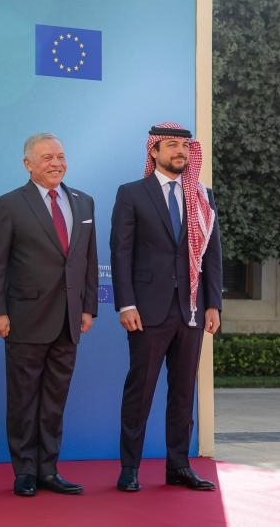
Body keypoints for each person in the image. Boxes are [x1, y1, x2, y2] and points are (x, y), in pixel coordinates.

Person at [0, 133, 98, 497]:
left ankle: (49, 468)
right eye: (47, 157)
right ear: (28, 164)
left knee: (54, 400)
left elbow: (89, 261)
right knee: (24, 400)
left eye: (61, 156)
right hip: (24, 318)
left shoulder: (84, 203)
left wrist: (88, 307)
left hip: (69, 320)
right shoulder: (9, 204)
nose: (56, 163)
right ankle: (25, 471)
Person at [110, 122, 222, 492]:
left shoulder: (202, 196)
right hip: (147, 309)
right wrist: (125, 303)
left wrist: (213, 304)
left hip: (191, 310)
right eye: (172, 145)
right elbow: (121, 253)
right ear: (154, 151)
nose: (180, 152)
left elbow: (212, 255)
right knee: (140, 390)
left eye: (185, 147)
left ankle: (178, 466)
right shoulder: (132, 194)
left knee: (183, 392)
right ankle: (129, 469)